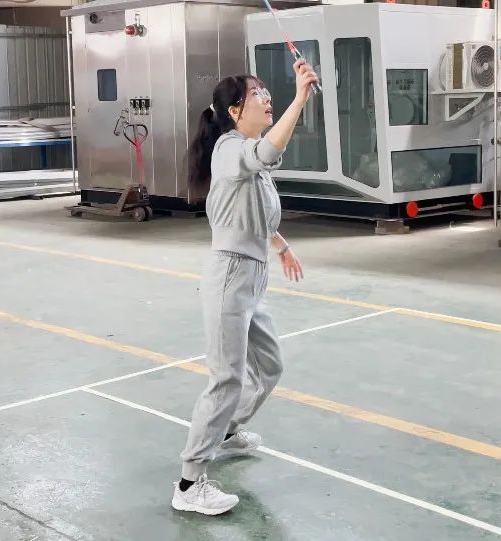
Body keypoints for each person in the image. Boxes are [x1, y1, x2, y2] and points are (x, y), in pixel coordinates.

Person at [171, 59, 320, 516]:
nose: (267, 98)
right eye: (257, 94)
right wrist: (300, 98)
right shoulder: (229, 150)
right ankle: (189, 483)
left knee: (269, 366)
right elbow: (268, 152)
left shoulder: (248, 154)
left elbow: (254, 211)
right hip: (230, 277)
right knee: (226, 378)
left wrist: (281, 246)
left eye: (267, 92)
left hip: (253, 277)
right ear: (235, 111)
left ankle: (229, 432)